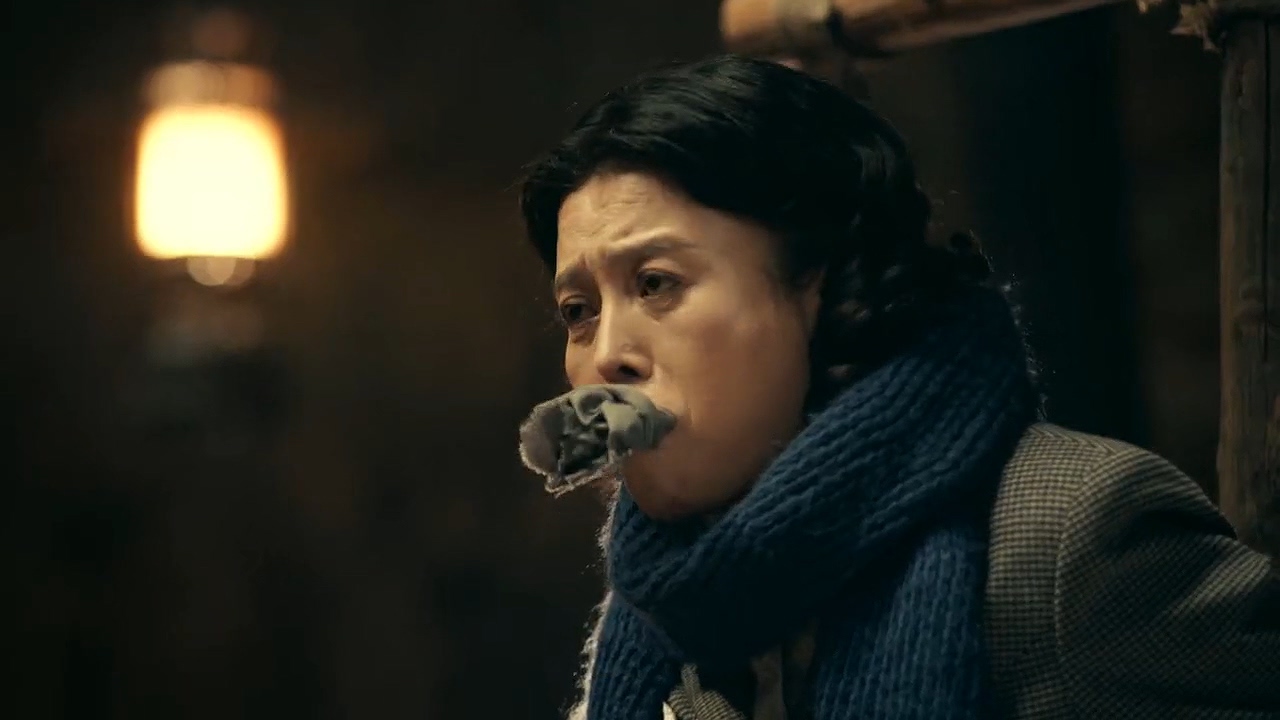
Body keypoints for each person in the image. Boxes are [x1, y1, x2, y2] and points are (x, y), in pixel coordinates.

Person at [517, 54, 1280, 720]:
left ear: (817, 283)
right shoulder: (661, 597)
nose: (606, 356)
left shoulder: (1070, 538)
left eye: (656, 283)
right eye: (579, 312)